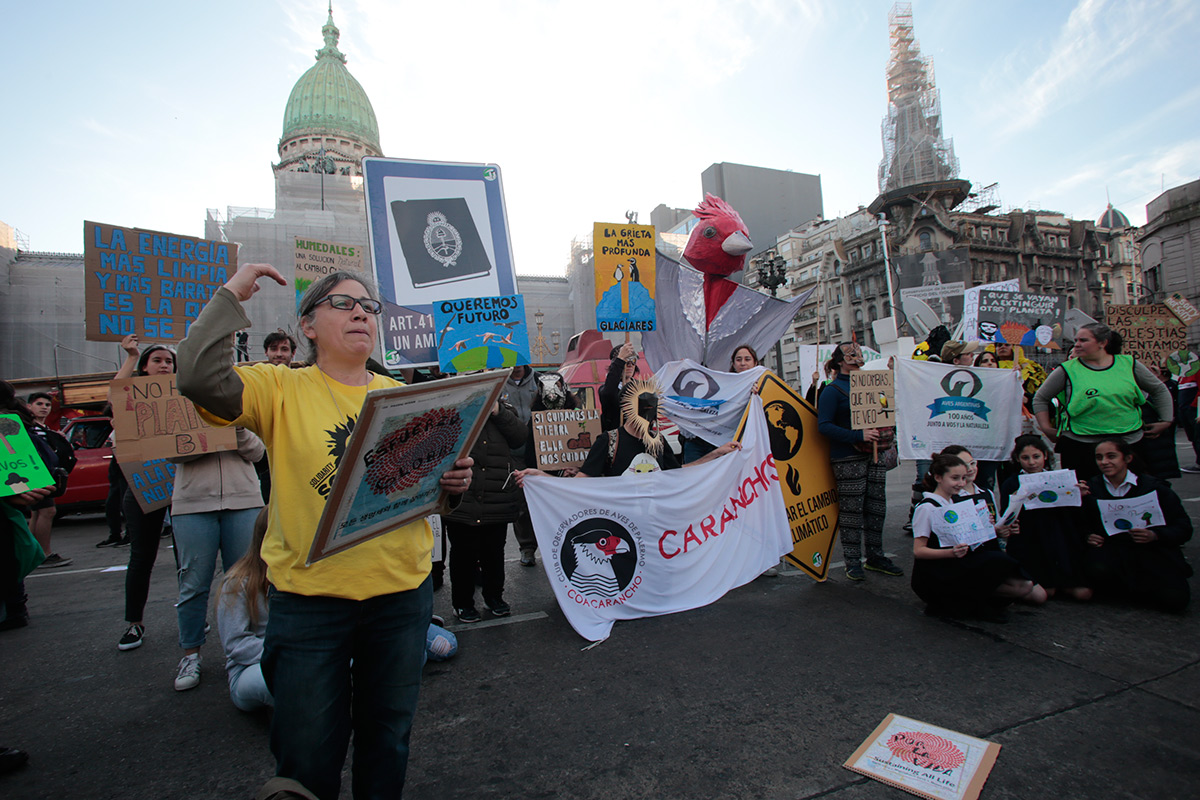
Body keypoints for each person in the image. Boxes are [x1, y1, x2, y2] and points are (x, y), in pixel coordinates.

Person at [176, 265, 474, 800]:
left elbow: (426, 489)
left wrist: (451, 483)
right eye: (343, 303)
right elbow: (197, 378)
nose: (362, 311)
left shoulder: (403, 396)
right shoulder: (279, 387)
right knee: (308, 749)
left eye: (368, 306)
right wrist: (232, 294)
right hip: (310, 602)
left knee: (388, 741)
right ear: (307, 326)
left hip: (401, 596)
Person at [168, 426, 265, 691]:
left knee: (248, 581)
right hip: (192, 503)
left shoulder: (240, 412)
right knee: (193, 582)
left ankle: (249, 651)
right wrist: (205, 435)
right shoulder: (181, 412)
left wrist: (236, 432)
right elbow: (170, 453)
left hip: (244, 502)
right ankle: (190, 655)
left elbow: (258, 452)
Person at [911, 452, 1046, 621]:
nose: (961, 483)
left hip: (957, 562)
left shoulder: (955, 502)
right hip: (938, 570)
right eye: (955, 478)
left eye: (962, 478)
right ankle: (966, 602)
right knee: (995, 562)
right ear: (938, 477)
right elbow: (919, 550)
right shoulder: (927, 508)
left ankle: (974, 600)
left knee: (1016, 579)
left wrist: (986, 527)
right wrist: (951, 553)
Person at [516, 379, 738, 481]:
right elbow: (580, 482)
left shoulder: (657, 441)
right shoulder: (608, 441)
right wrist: (541, 476)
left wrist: (717, 454)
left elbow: (678, 474)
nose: (649, 413)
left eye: (653, 405)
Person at [1032, 323, 1172, 480]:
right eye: (1076, 340)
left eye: (1083, 340)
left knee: (1130, 494)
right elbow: (1041, 398)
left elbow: (1159, 389)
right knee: (1087, 497)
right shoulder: (1067, 369)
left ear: (1102, 343)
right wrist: (1046, 427)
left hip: (1128, 441)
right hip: (1080, 444)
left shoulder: (1129, 364)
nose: (1077, 345)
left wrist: (1166, 420)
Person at [817, 342, 903, 581]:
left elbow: (885, 410)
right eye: (851, 354)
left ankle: (876, 556)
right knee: (852, 511)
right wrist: (858, 435)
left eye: (859, 353)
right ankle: (852, 562)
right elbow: (823, 426)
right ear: (840, 361)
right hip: (847, 457)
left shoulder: (874, 383)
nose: (857, 357)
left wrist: (890, 380)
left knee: (876, 507)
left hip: (875, 455)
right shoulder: (832, 391)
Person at [112, 335, 176, 651]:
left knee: (187, 557)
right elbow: (116, 393)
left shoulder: (184, 395)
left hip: (182, 484)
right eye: (157, 360)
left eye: (169, 361)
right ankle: (134, 623)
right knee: (141, 556)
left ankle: (192, 617)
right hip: (144, 486)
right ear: (145, 368)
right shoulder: (131, 398)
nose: (164, 365)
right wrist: (130, 356)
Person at [1082, 438, 1192, 612]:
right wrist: (1088, 535)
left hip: (1153, 551)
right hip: (1114, 550)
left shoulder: (1154, 488)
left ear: (1127, 458)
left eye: (1111, 456)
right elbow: (1080, 523)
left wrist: (1156, 535)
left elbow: (1183, 527)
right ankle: (1126, 588)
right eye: (1099, 457)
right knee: (1097, 570)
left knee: (1175, 600)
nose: (1104, 462)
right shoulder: (1091, 488)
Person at [444, 396, 525, 623]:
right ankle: (462, 603)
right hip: (462, 497)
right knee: (463, 555)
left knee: (494, 552)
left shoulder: (505, 409)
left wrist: (498, 410)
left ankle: (494, 597)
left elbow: (520, 437)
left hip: (495, 496)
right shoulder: (454, 407)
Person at [999, 435, 1092, 601]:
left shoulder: (1058, 479)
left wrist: (1080, 495)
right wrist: (1015, 501)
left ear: (1045, 456)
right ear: (1018, 459)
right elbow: (1008, 518)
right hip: (1031, 539)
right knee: (1047, 592)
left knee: (1083, 593)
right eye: (1025, 458)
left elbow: (1071, 514)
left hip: (1059, 538)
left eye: (1036, 457)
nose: (1032, 462)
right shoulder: (1011, 483)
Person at [24, 395, 74, 569]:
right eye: (39, 404)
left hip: (43, 475)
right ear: (29, 406)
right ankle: (44, 554)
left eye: (47, 405)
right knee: (47, 511)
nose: (44, 407)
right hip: (38, 475)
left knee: (37, 514)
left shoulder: (44, 429)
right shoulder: (28, 428)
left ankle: (30, 552)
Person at [599, 342, 638, 432]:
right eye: (626, 362)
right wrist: (620, 360)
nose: (630, 365)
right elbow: (608, 392)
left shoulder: (641, 387)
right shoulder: (607, 389)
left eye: (633, 361)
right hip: (616, 436)